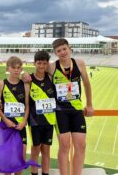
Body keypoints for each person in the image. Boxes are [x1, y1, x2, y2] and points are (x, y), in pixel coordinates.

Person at [50, 38, 94, 175]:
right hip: (60, 111)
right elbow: (38, 76)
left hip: (76, 109)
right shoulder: (52, 67)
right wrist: (27, 76)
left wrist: (90, 104)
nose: (62, 52)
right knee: (64, 146)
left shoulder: (79, 63)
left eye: (64, 49)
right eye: (59, 51)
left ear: (69, 48)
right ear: (55, 53)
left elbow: (87, 84)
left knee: (81, 145)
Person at [0, 56, 30, 175]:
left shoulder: (25, 85)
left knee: (21, 156)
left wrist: (24, 122)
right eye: (13, 67)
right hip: (6, 125)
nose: (16, 70)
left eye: (19, 68)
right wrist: (5, 120)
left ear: (21, 69)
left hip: (20, 125)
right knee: (7, 156)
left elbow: (27, 106)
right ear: (8, 68)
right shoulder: (1, 84)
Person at [28, 51, 56, 175]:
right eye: (39, 63)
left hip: (49, 120)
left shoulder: (51, 78)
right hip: (35, 121)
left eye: (44, 63)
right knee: (35, 149)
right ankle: (33, 173)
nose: (41, 66)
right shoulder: (28, 80)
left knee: (46, 149)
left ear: (47, 64)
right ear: (35, 63)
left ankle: (45, 173)